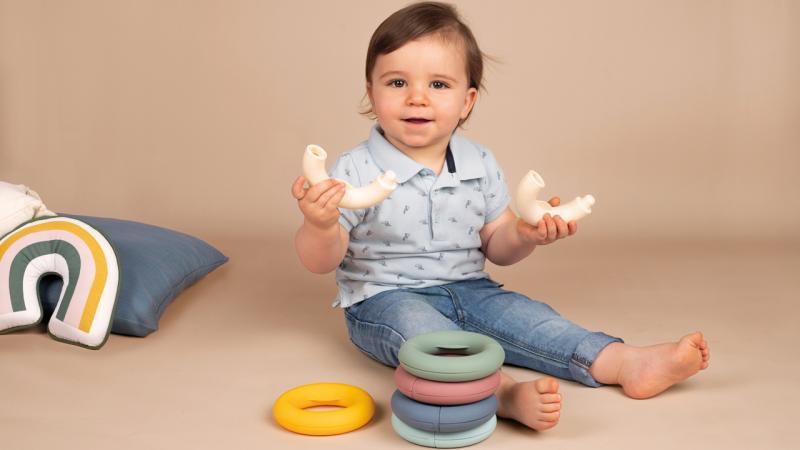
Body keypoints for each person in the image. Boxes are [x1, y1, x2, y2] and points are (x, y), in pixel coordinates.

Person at [291, 1, 710, 432]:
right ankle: (503, 394)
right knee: (430, 338)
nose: (417, 97)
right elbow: (319, 261)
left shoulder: (479, 162)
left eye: (438, 84)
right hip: (385, 299)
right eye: (397, 82)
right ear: (371, 91)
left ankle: (624, 363)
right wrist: (320, 223)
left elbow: (498, 246)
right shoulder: (353, 169)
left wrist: (525, 233)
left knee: (534, 320)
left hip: (472, 289)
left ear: (467, 101)